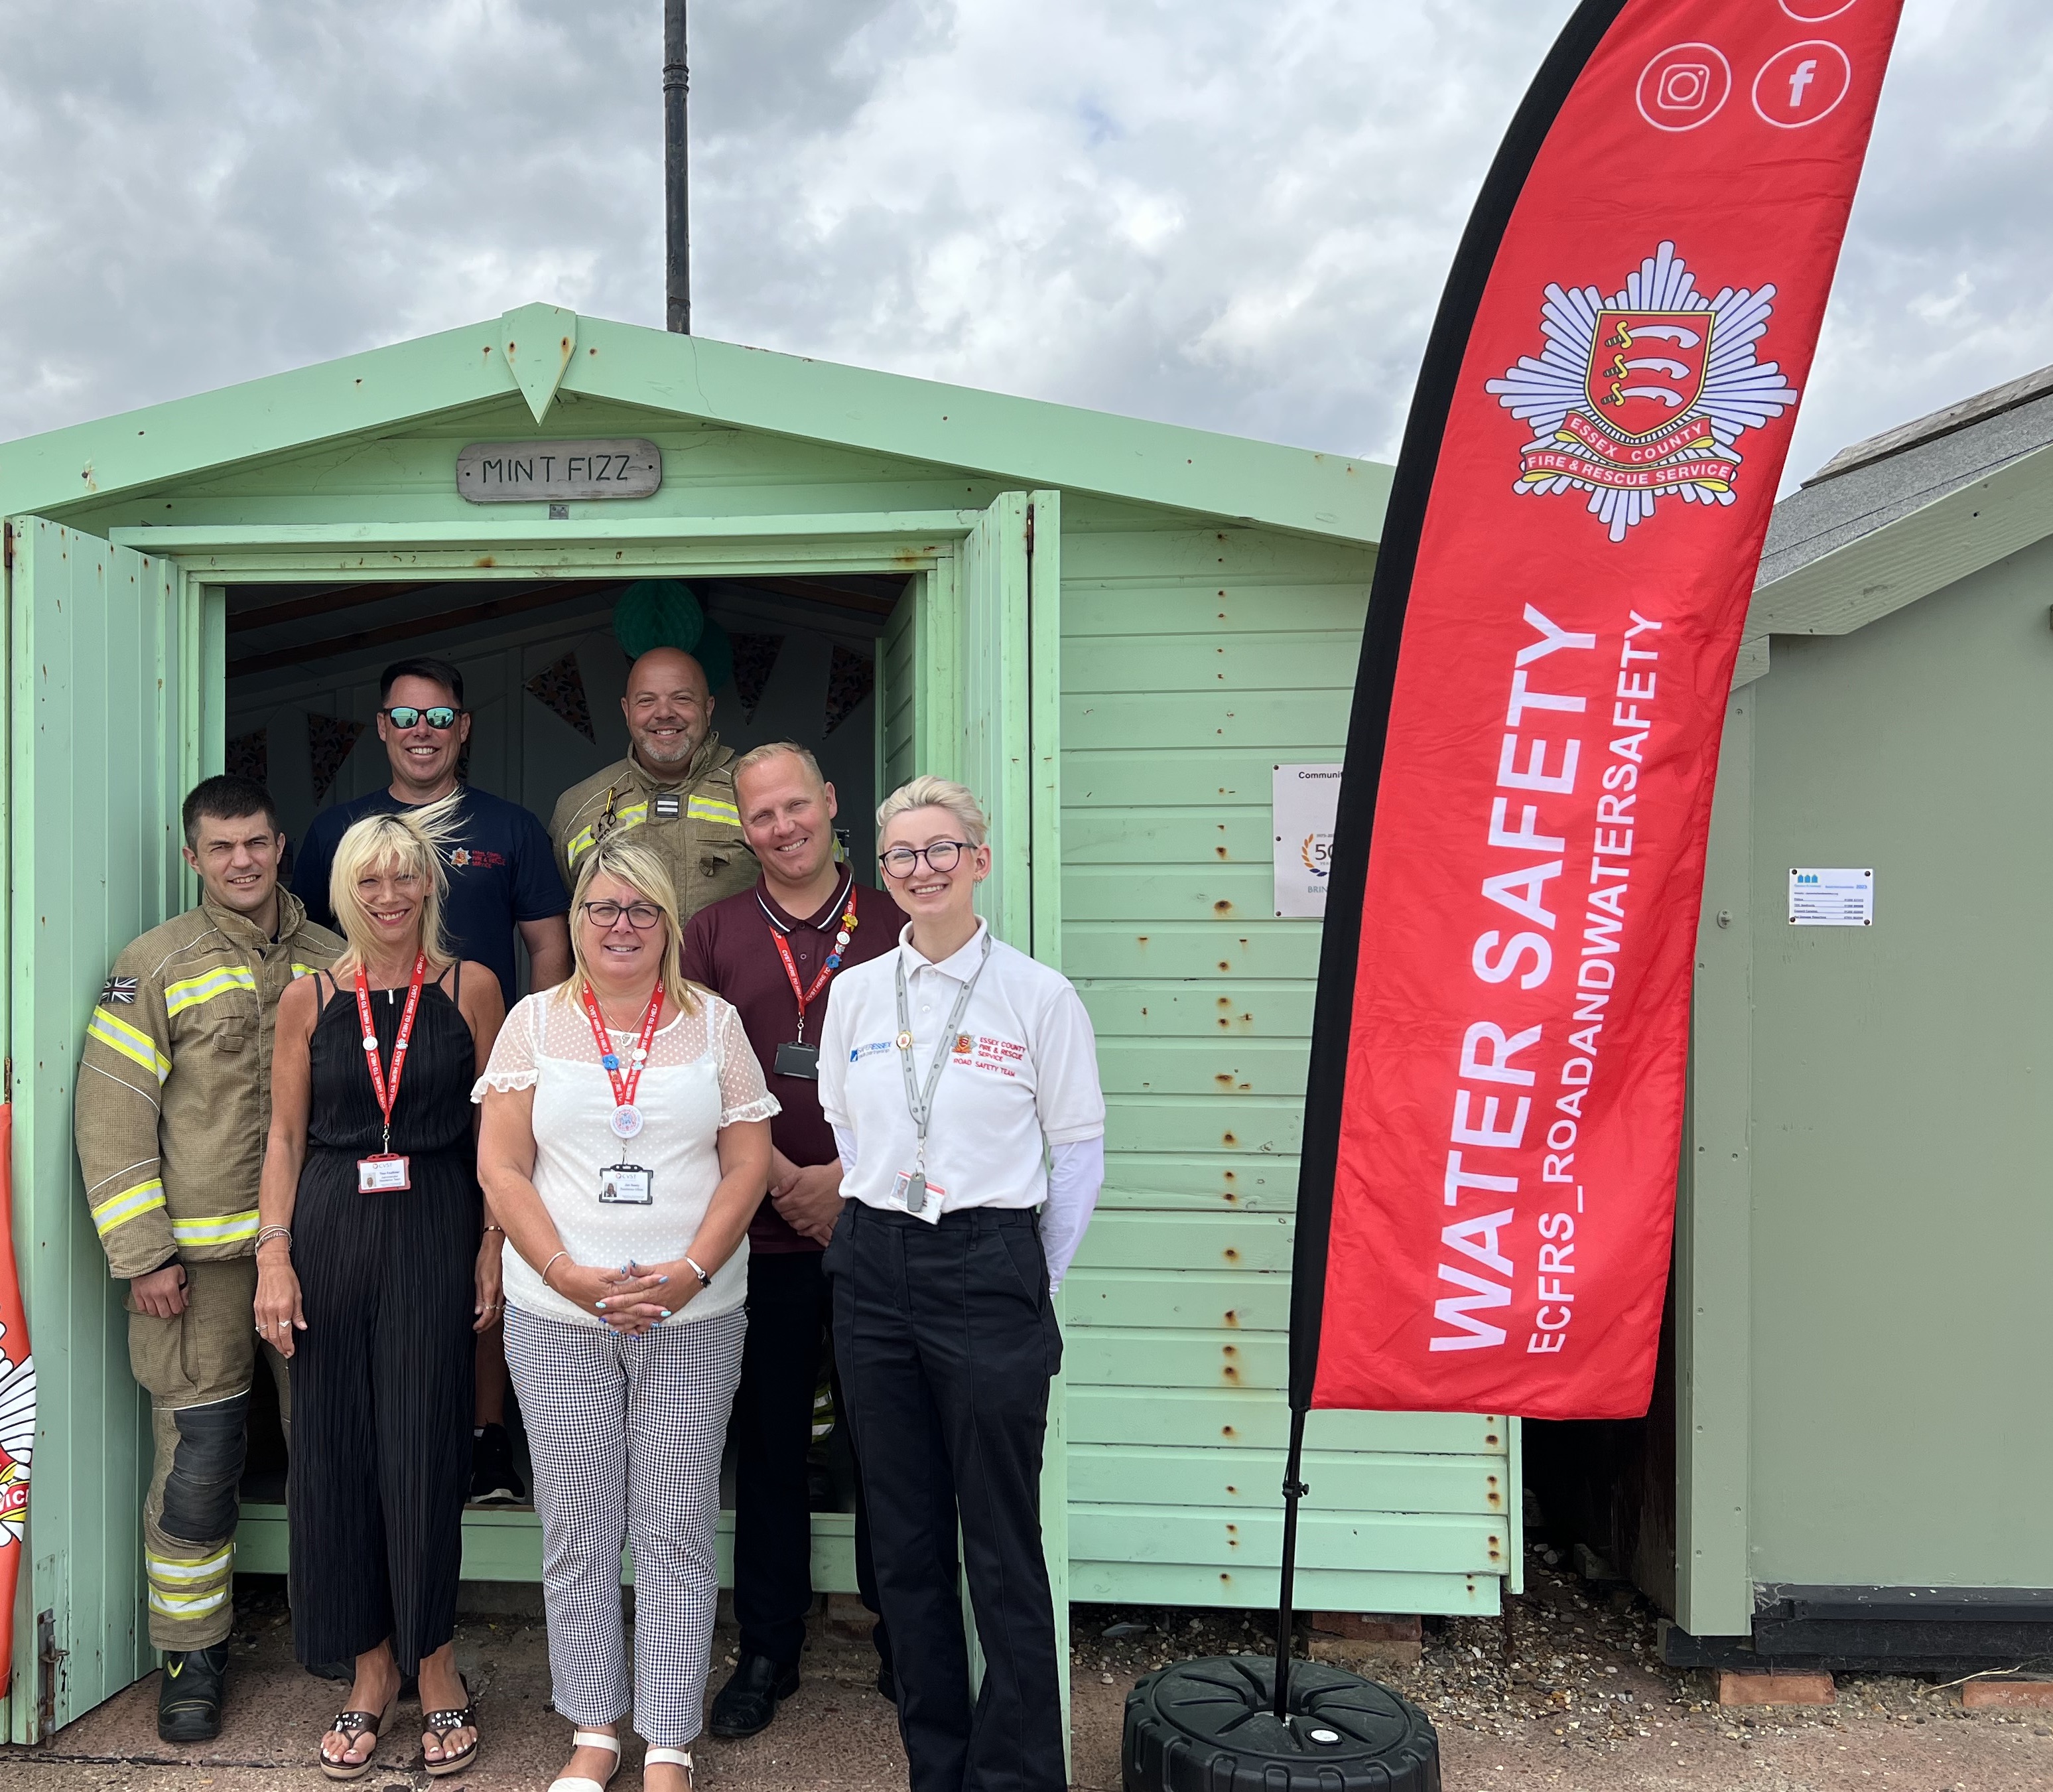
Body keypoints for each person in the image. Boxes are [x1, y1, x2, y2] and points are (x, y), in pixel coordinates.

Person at [818, 776, 1106, 1792]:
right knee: (901, 1545)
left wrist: (1029, 1277)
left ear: (978, 860)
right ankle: (935, 1769)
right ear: (881, 872)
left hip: (990, 1267)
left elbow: (1075, 1159)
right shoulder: (854, 993)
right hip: (873, 1269)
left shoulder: (1038, 996)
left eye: (942, 849)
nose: (922, 869)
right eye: (901, 854)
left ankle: (1021, 1777)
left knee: (999, 1542)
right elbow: (850, 1131)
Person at [474, 834, 778, 1792]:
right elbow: (500, 1166)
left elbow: (748, 1162)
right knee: (575, 1522)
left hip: (692, 1314)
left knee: (678, 1523)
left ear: (666, 923)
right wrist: (563, 1271)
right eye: (602, 907)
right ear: (576, 919)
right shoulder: (532, 1021)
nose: (621, 924)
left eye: (641, 908)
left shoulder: (714, 1024)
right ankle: (595, 1728)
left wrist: (691, 1269)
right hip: (558, 1314)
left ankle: (671, 1737)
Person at [74, 775, 344, 1744]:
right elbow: (111, 1117)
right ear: (193, 857)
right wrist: (144, 1253)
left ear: (280, 848)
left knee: (335, 1447)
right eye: (221, 847)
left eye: (257, 844)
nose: (242, 862)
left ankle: (350, 1640)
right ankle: (192, 1654)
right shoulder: (153, 964)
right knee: (201, 1464)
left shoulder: (337, 956)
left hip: (322, 1254)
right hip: (198, 1270)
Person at [255, 798, 505, 1780]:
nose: (390, 893)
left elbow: (501, 1135)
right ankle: (368, 1671)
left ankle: (435, 1666)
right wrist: (274, 1255)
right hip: (330, 1227)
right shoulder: (308, 998)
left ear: (430, 887)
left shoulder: (472, 986)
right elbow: (283, 1136)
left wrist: (492, 1238)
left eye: (407, 876)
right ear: (345, 892)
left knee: (423, 1447)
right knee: (335, 1453)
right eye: (370, 878)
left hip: (437, 1221)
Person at [292, 655, 568, 1505]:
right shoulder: (338, 829)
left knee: (483, 1246)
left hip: (474, 1050)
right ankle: (369, 1448)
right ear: (380, 726)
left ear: (464, 726)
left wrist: (537, 1046)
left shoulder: (511, 827)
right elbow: (308, 947)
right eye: (405, 717)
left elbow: (551, 950)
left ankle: (487, 1440)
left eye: (438, 716)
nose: (422, 732)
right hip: (363, 1071)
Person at [680, 742, 898, 1738]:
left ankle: (905, 1635)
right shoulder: (712, 933)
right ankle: (768, 1648)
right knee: (767, 1447)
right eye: (760, 815)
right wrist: (782, 1179)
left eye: (794, 807)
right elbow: (692, 1076)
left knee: (886, 1441)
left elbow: (938, 1071)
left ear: (829, 801)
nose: (781, 828)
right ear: (743, 827)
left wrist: (843, 1184)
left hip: (882, 1226)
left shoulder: (897, 919)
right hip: (756, 1239)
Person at [549, 646, 757, 919]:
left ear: (708, 708)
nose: (663, 713)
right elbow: (560, 933)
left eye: (681, 699)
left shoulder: (761, 790)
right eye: (646, 701)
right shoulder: (576, 807)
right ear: (626, 710)